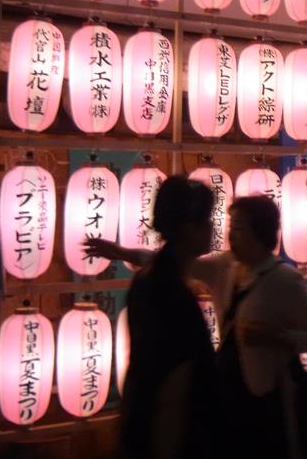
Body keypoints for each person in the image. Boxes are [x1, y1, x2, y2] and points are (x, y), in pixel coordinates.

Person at [90, 193, 307, 459]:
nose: (230, 235)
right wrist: (124, 253)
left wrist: (277, 337)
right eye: (230, 227)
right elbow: (180, 262)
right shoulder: (227, 266)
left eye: (238, 228)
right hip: (229, 388)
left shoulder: (284, 279)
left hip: (267, 392)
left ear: (259, 231)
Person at [119, 175, 221, 459]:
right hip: (173, 440)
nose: (212, 227)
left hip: (141, 429)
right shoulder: (173, 296)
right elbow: (173, 390)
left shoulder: (147, 280)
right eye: (206, 219)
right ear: (189, 228)